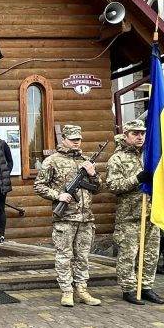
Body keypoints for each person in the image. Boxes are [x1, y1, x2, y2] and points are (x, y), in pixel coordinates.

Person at [34, 125, 102, 307]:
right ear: (63, 139)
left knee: (83, 256)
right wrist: (58, 196)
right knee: (64, 256)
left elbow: (98, 187)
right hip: (65, 219)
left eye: (78, 139)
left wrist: (93, 174)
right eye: (72, 139)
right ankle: (66, 291)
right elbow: (39, 186)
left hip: (86, 218)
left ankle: (82, 290)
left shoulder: (86, 161)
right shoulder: (52, 161)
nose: (76, 142)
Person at [104, 120, 164, 305]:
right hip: (129, 216)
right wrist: (137, 179)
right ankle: (129, 288)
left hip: (151, 213)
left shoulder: (150, 156)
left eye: (142, 133)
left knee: (150, 254)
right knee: (128, 255)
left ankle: (146, 286)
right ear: (126, 135)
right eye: (135, 133)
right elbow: (113, 186)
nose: (140, 137)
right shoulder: (117, 159)